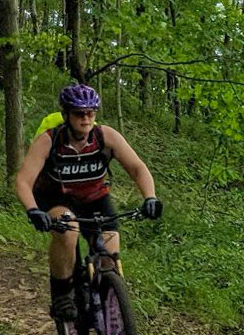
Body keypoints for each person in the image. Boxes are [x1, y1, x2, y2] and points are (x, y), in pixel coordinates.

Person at [13, 83, 162, 321]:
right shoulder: (49, 141)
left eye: (91, 113)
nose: (86, 119)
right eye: (79, 113)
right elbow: (23, 180)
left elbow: (137, 168)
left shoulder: (106, 136)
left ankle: (111, 307)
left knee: (109, 257)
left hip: (95, 198)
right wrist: (33, 210)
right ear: (67, 115)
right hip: (56, 198)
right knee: (68, 231)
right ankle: (62, 292)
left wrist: (150, 197)